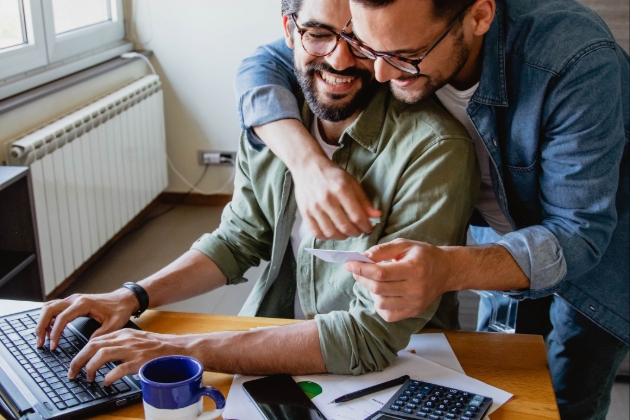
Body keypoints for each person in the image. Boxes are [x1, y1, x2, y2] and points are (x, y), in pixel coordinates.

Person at [35, 0, 479, 386]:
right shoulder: (275, 119)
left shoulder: (435, 150)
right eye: (319, 34)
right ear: (289, 31)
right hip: (273, 346)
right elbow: (238, 239)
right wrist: (132, 296)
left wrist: (179, 348)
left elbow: (369, 336)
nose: (341, 60)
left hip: (397, 370)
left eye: (359, 39)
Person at [232, 0, 629, 418]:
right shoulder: (398, 30)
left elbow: (578, 234)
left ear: (479, 16)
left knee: (564, 400)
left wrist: (449, 269)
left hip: (600, 258)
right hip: (503, 238)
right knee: (505, 380)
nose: (381, 74)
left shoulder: (573, 59)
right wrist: (308, 165)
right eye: (372, 48)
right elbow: (259, 65)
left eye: (404, 57)